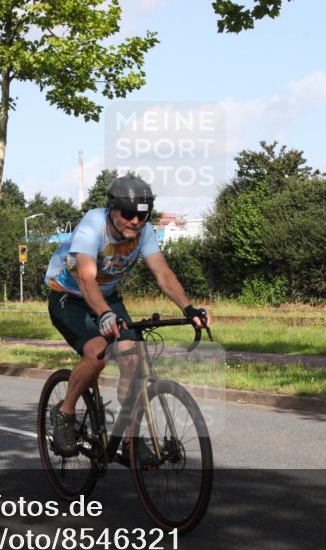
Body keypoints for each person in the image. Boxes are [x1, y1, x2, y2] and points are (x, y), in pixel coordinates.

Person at [44, 176, 211, 456]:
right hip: (69, 295)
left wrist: (189, 308)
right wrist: (104, 314)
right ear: (112, 210)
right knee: (98, 352)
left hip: (106, 297)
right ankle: (65, 411)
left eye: (142, 215)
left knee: (133, 358)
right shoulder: (92, 226)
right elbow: (86, 278)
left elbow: (163, 274)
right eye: (129, 214)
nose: (135, 221)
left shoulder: (144, 233)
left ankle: (130, 440)